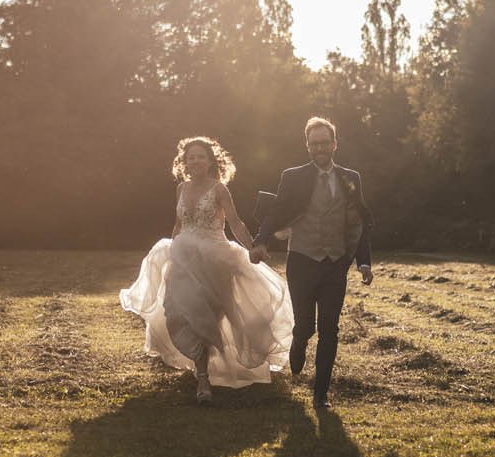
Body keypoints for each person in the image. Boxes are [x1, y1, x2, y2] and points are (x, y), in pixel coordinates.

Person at [121, 135, 294, 404]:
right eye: (191, 157)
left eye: (201, 156)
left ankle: (218, 368)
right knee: (180, 312)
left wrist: (252, 248)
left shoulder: (219, 189)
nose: (196, 161)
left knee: (211, 316)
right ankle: (202, 378)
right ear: (185, 162)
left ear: (211, 161)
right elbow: (179, 225)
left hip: (215, 259)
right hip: (183, 259)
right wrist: (171, 251)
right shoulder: (181, 189)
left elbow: (235, 224)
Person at [249, 116, 372, 410]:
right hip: (302, 260)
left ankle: (321, 394)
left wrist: (363, 262)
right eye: (314, 143)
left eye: (324, 142)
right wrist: (261, 241)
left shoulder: (350, 178)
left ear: (334, 143)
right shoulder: (293, 176)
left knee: (330, 327)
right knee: (306, 325)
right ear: (307, 146)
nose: (319, 147)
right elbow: (276, 212)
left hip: (335, 263)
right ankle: (298, 341)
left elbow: (359, 221)